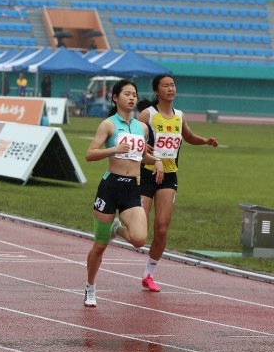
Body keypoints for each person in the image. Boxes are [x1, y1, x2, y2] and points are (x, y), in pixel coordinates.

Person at [83, 79, 163, 307]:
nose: (132, 98)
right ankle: (90, 287)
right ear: (115, 98)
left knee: (139, 239)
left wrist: (156, 160)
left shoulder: (143, 128)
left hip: (131, 188)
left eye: (134, 95)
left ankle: (116, 228)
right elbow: (90, 154)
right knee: (99, 246)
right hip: (109, 188)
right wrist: (115, 149)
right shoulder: (108, 125)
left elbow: (141, 157)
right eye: (127, 94)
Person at [135, 74, 219, 292]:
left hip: (169, 177)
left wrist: (205, 141)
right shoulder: (148, 114)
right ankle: (119, 225)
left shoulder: (179, 116)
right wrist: (144, 147)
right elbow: (131, 134)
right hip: (146, 173)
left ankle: (149, 274)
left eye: (172, 85)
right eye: (165, 86)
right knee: (139, 230)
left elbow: (188, 136)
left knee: (161, 229)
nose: (170, 89)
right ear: (157, 91)